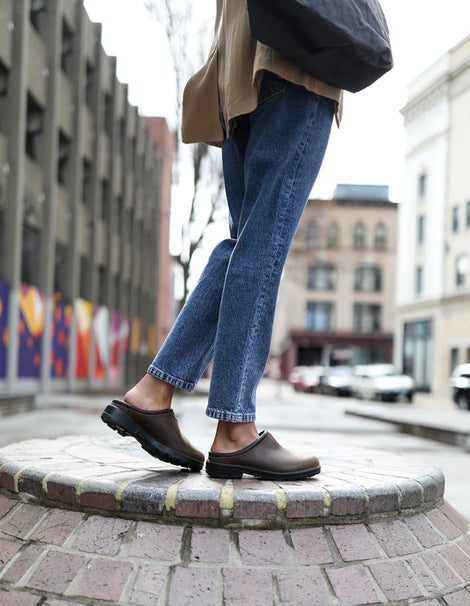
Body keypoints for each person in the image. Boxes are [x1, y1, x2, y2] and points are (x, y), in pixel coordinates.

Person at [101, 0, 343, 480]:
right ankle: (235, 429)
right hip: (298, 60)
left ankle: (153, 394)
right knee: (263, 244)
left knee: (246, 241)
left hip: (236, 72)